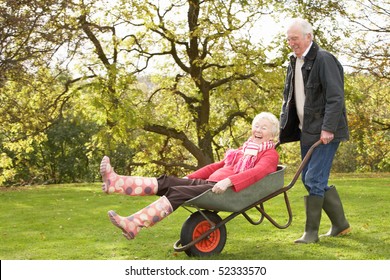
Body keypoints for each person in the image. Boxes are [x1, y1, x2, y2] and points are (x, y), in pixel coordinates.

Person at [100, 112, 280, 240]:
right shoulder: (244, 149)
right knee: (167, 181)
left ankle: (134, 224)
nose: (258, 129)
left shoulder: (270, 154)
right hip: (211, 182)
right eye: (256, 125)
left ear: (272, 135)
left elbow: (256, 173)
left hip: (226, 190)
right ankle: (115, 183)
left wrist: (228, 181)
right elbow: (217, 166)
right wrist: (190, 177)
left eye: (264, 128)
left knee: (177, 192)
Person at [279, 18, 351, 244]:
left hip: (325, 132)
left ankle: (311, 234)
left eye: (295, 38)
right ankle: (340, 225)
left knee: (314, 178)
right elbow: (290, 99)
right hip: (306, 130)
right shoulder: (294, 62)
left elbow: (335, 97)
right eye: (289, 39)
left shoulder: (324, 59)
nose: (291, 43)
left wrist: (328, 128)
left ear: (309, 37)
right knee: (310, 180)